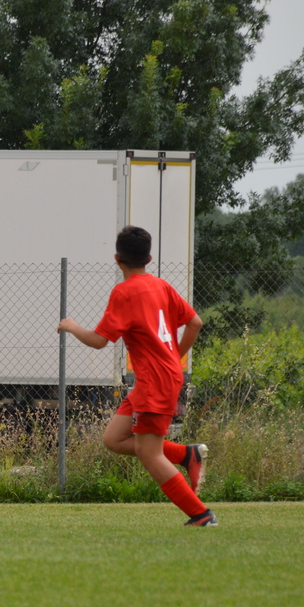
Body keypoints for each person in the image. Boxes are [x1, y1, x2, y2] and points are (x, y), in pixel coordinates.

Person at [57, 225, 214, 526]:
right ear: (149, 258)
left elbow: (99, 341)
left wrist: (72, 326)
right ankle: (187, 455)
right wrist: (175, 357)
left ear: (117, 259)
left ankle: (201, 514)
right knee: (114, 439)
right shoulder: (161, 286)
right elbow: (195, 322)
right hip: (155, 379)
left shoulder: (124, 292)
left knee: (149, 454)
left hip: (154, 381)